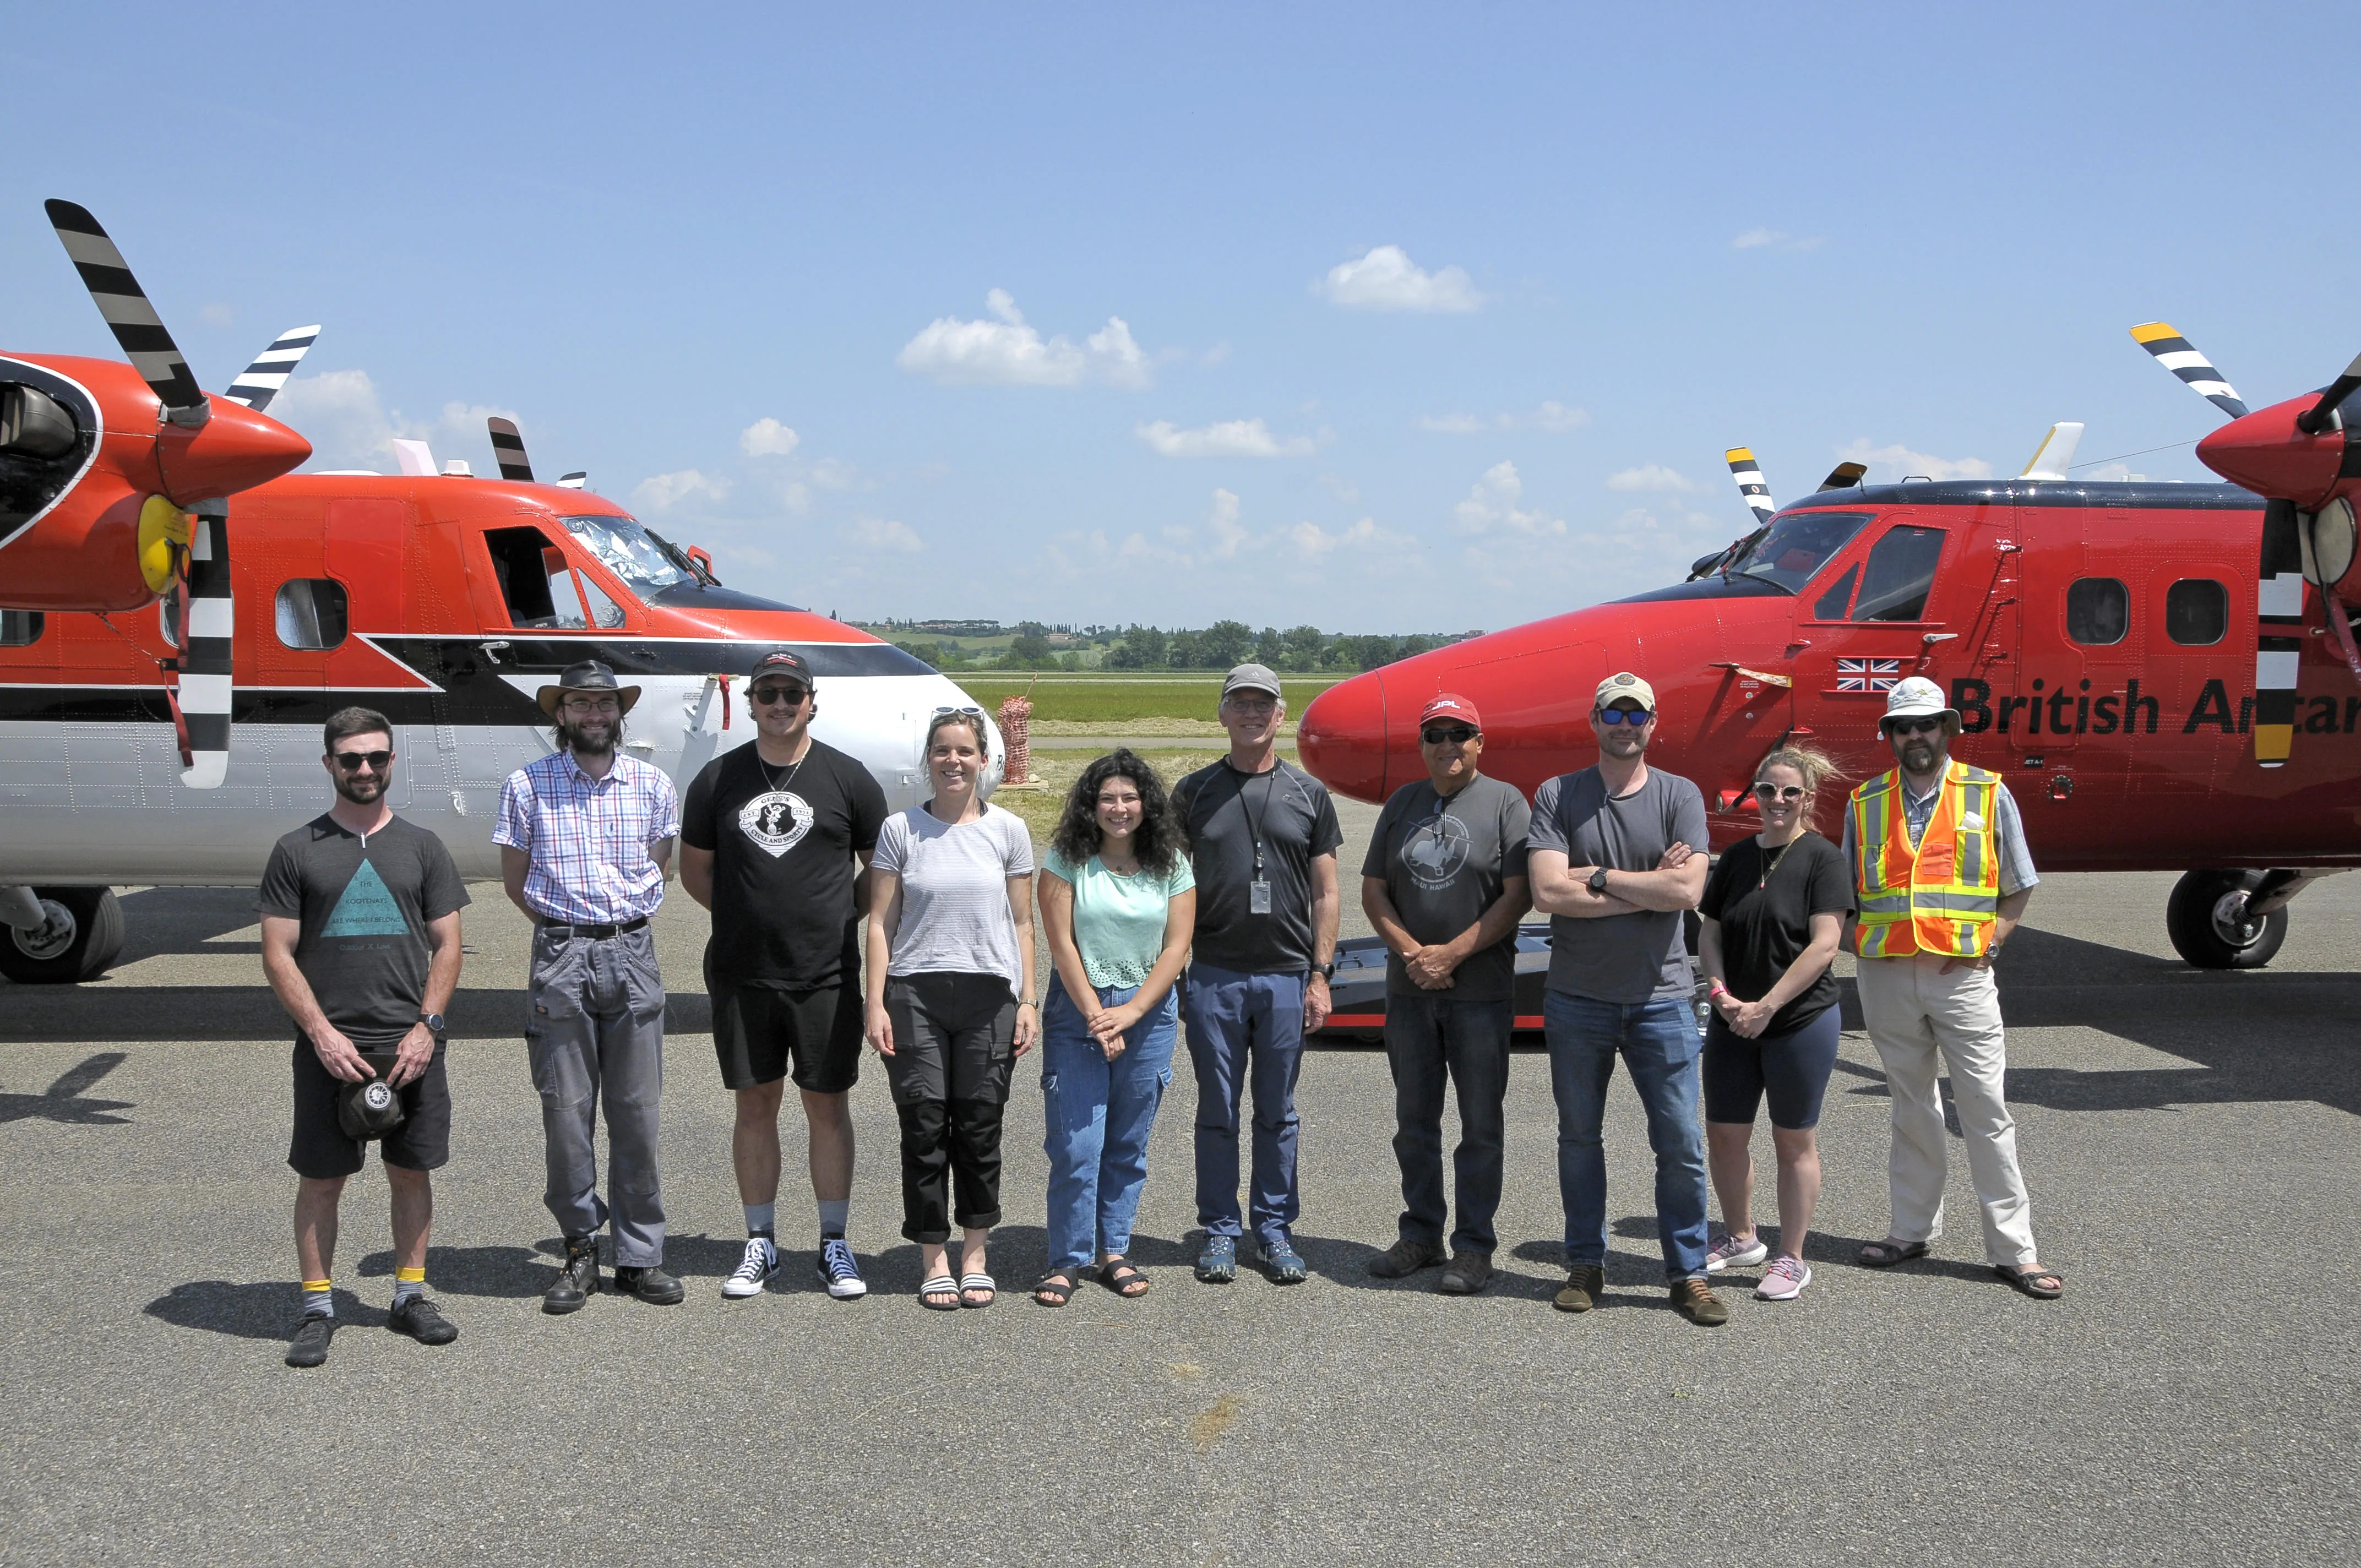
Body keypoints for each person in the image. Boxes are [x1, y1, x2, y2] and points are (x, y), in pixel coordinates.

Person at [260, 707, 468, 1368]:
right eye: (350, 759)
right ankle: (318, 1307)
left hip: (411, 1047)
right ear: (329, 765)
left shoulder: (423, 846)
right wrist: (320, 1033)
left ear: (391, 762)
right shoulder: (297, 850)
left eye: (376, 757)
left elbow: (449, 945)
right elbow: (277, 954)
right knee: (322, 1180)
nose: (364, 769)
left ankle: (410, 1296)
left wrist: (427, 1029)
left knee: (411, 1173)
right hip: (333, 1050)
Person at [1841, 677, 2061, 1298]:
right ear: (1889, 734)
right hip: (1887, 977)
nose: (1915, 736)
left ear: (1948, 727)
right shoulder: (1864, 801)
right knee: (1911, 1108)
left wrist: (1992, 942)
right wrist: (1860, 944)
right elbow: (1847, 895)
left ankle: (2015, 1251)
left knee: (1987, 1112)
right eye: (1902, 726)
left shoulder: (1988, 792)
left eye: (1926, 724)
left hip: (1962, 976)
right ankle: (1910, 1230)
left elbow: (2018, 881)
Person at [679, 650, 888, 1303]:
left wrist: (829, 916)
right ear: (750, 702)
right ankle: (759, 1243)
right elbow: (695, 871)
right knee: (754, 1105)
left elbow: (878, 870)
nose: (779, 703)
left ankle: (833, 1242)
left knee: (827, 1106)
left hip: (824, 975)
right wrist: (750, 914)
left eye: (791, 694)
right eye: (767, 692)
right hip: (743, 974)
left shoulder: (848, 778)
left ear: (811, 702)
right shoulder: (717, 780)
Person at [1526, 671, 1726, 1326]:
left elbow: (1688, 894)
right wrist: (1649, 883)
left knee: (1680, 1142)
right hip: (1577, 999)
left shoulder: (1680, 795)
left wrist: (1601, 876)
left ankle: (1687, 1273)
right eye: (1612, 714)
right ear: (1594, 721)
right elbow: (1549, 894)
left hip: (1661, 999)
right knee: (1579, 1138)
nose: (1624, 725)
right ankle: (1585, 1263)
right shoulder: (1558, 795)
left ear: (1652, 723)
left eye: (1635, 715)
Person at [494, 660, 683, 1313]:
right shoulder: (527, 786)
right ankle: (579, 1246)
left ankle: (639, 1256)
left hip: (632, 951)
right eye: (581, 704)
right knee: (567, 1113)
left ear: (618, 713)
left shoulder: (653, 785)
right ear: (562, 714)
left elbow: (660, 860)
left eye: (605, 704)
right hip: (562, 952)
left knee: (637, 1113)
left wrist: (616, 923)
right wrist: (566, 932)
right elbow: (516, 880)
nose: (594, 715)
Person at [1169, 663, 1343, 1286]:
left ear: (1280, 714)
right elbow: (1169, 886)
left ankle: (1272, 1227)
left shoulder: (1308, 794)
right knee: (1217, 1107)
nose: (1251, 714)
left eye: (1262, 705)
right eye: (1239, 703)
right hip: (1214, 973)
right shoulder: (1192, 793)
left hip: (1284, 976)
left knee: (1278, 1110)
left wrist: (1319, 974)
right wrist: (1173, 970)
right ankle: (1219, 1227)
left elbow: (1327, 892)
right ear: (1222, 713)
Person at [864, 707, 1038, 1310]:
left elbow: (1022, 922)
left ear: (984, 760)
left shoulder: (1009, 830)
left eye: (965, 751)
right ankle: (933, 1255)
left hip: (991, 994)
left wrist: (1028, 1000)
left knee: (980, 1126)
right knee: (924, 1126)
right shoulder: (899, 830)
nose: (954, 761)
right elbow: (881, 923)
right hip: (915, 993)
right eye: (942, 751)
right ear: (928, 761)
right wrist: (875, 1002)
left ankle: (975, 1254)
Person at [1360, 693, 1531, 1295]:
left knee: (1480, 1122)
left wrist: (1452, 953)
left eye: (1460, 733)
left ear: (1480, 742)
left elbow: (1517, 895)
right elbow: (1374, 889)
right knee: (1414, 1120)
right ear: (1421, 744)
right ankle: (1421, 1233)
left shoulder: (1506, 802)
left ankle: (1474, 1245)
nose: (1446, 745)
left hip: (1479, 991)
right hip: (1409, 991)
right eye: (1434, 734)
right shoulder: (1403, 803)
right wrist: (1413, 954)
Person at [1031, 749, 1196, 1307]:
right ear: (1090, 805)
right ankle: (1068, 1258)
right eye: (1107, 798)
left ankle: (1114, 1250)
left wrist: (1131, 1012)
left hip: (1148, 1014)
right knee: (1079, 1145)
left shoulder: (1170, 862)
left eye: (1129, 797)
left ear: (1146, 804)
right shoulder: (1065, 859)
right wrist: (1097, 1016)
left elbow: (1177, 947)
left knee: (1127, 1143)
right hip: (1078, 1009)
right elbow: (1060, 945)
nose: (1119, 808)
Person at [1696, 745, 1852, 1302]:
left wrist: (1765, 1006)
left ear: (1807, 798)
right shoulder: (1737, 857)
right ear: (1754, 795)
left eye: (1789, 792)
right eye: (1767, 790)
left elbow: (1825, 944)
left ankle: (1791, 1257)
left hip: (1797, 1022)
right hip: (1733, 1021)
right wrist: (1720, 994)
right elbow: (1710, 934)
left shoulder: (1822, 858)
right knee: (1724, 1134)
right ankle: (1741, 1237)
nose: (1777, 801)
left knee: (1793, 1141)